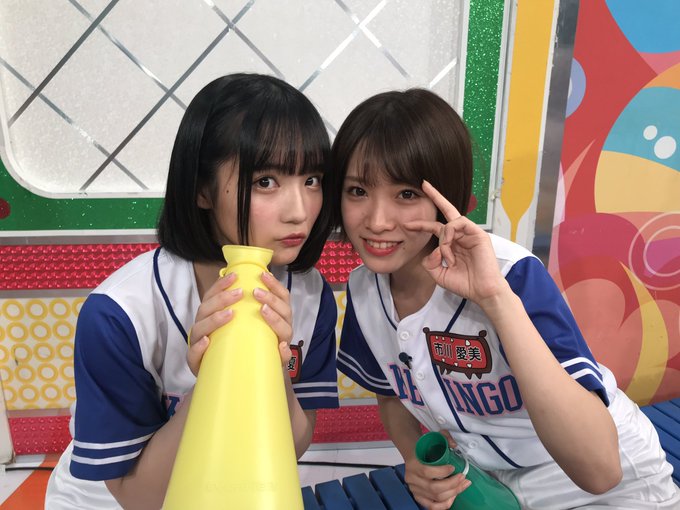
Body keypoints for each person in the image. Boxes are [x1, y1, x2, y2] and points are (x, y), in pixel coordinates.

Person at [331, 88, 680, 510]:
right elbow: (389, 393)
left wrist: (496, 299)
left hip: (613, 486)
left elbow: (601, 471)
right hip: (491, 485)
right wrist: (414, 461)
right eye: (357, 191)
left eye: (406, 194)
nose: (377, 221)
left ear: (445, 196)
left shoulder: (510, 274)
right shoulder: (364, 288)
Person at [45, 73, 339, 509]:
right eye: (266, 182)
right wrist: (220, 374)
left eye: (312, 180)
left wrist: (272, 363)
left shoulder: (311, 297)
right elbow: (138, 497)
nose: (300, 211)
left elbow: (291, 446)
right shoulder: (118, 314)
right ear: (202, 189)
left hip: (228, 490)